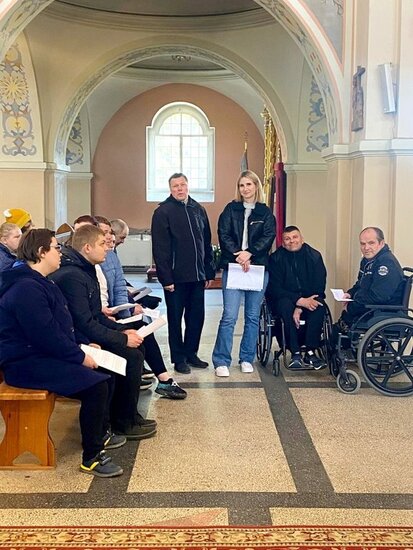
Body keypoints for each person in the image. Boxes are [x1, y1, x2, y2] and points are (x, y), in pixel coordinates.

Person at [0, 229, 124, 478]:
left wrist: (84, 343)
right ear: (41, 252)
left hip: (41, 354)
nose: (60, 253)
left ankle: (99, 434)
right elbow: (45, 334)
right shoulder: (25, 288)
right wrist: (79, 356)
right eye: (56, 248)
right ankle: (91, 457)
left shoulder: (42, 281)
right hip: (24, 363)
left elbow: (62, 323)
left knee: (107, 373)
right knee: (96, 386)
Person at [51, 224, 157, 441]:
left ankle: (128, 415)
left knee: (137, 345)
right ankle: (122, 422)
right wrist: (121, 339)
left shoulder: (86, 269)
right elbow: (84, 323)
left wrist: (123, 330)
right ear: (87, 248)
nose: (108, 247)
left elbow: (97, 315)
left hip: (87, 333)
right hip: (80, 340)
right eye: (102, 244)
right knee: (130, 355)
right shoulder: (72, 276)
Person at [96, 216, 186, 400]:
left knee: (144, 323)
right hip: (102, 318)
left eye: (110, 233)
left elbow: (119, 285)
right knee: (138, 329)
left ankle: (160, 378)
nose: (109, 237)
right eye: (104, 233)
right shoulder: (88, 264)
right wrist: (120, 314)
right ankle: (160, 379)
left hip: (113, 311)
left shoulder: (110, 255)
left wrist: (126, 310)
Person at [212, 170, 276, 377]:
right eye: (242, 185)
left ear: (256, 186)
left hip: (257, 268)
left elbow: (268, 236)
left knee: (252, 316)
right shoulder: (230, 209)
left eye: (249, 184)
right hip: (234, 266)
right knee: (229, 316)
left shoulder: (265, 212)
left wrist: (250, 253)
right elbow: (223, 234)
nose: (245, 189)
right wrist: (239, 255)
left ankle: (247, 358)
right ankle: (221, 360)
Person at [151, 173, 215, 374]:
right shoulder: (163, 212)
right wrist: (165, 278)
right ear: (170, 189)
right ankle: (178, 358)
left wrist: (208, 271)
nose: (180, 189)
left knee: (196, 318)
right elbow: (160, 248)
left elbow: (206, 242)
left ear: (188, 186)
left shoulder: (198, 209)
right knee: (176, 319)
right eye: (175, 186)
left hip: (197, 275)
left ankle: (191, 353)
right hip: (175, 278)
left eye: (182, 185)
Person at [267, 226, 327, 369]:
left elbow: (319, 285)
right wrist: (298, 301)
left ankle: (311, 352)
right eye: (287, 239)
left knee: (319, 307)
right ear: (283, 243)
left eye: (295, 237)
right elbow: (274, 288)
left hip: (310, 297)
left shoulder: (314, 256)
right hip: (285, 298)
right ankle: (295, 352)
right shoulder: (275, 259)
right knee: (285, 306)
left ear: (302, 239)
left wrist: (301, 305)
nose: (291, 241)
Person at [339, 226, 404, 327]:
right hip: (369, 308)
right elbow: (360, 284)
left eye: (371, 243)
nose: (366, 248)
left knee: (345, 319)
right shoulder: (367, 261)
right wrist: (350, 294)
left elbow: (378, 296)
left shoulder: (386, 263)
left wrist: (351, 307)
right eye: (362, 244)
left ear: (381, 243)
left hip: (382, 311)